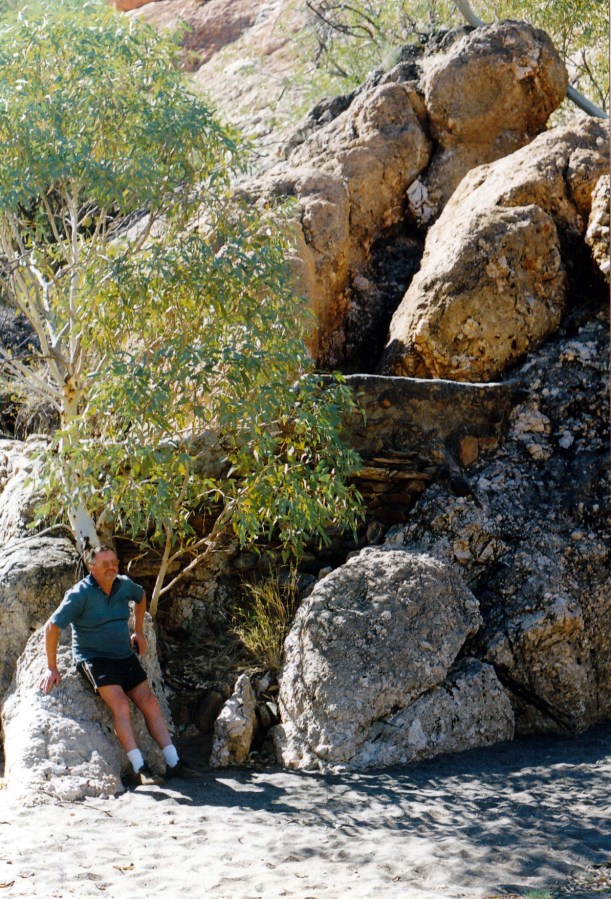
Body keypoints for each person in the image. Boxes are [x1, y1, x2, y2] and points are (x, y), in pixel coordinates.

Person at [40, 544, 199, 786]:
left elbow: (141, 596)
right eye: (105, 564)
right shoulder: (79, 594)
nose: (111, 568)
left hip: (123, 654)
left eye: (114, 562)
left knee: (148, 700)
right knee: (121, 705)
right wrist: (52, 667)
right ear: (92, 568)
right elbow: (52, 627)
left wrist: (138, 632)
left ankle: (174, 762)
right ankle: (140, 768)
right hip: (94, 658)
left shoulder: (124, 585)